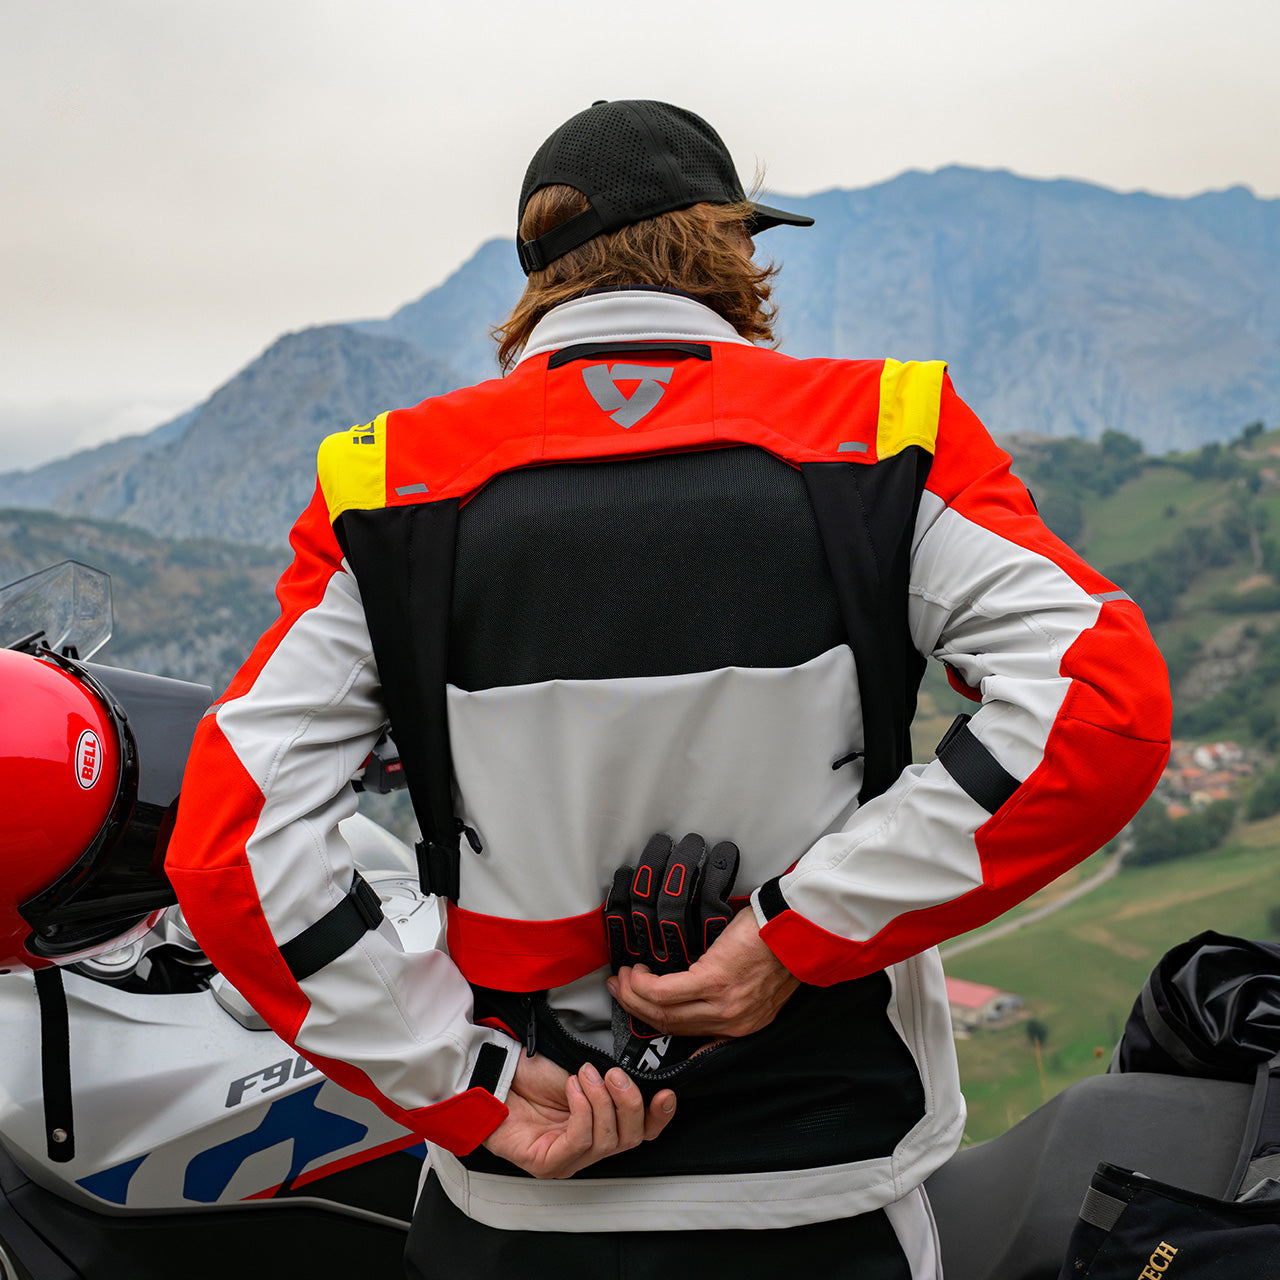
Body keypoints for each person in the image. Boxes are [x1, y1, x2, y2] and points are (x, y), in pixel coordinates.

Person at [166, 99, 1172, 1278]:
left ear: (540, 276)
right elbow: (1099, 702)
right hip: (823, 1186)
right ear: (728, 248)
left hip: (512, 1210)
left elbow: (231, 844)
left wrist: (465, 1082)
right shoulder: (882, 434)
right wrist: (792, 934)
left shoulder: (386, 486)